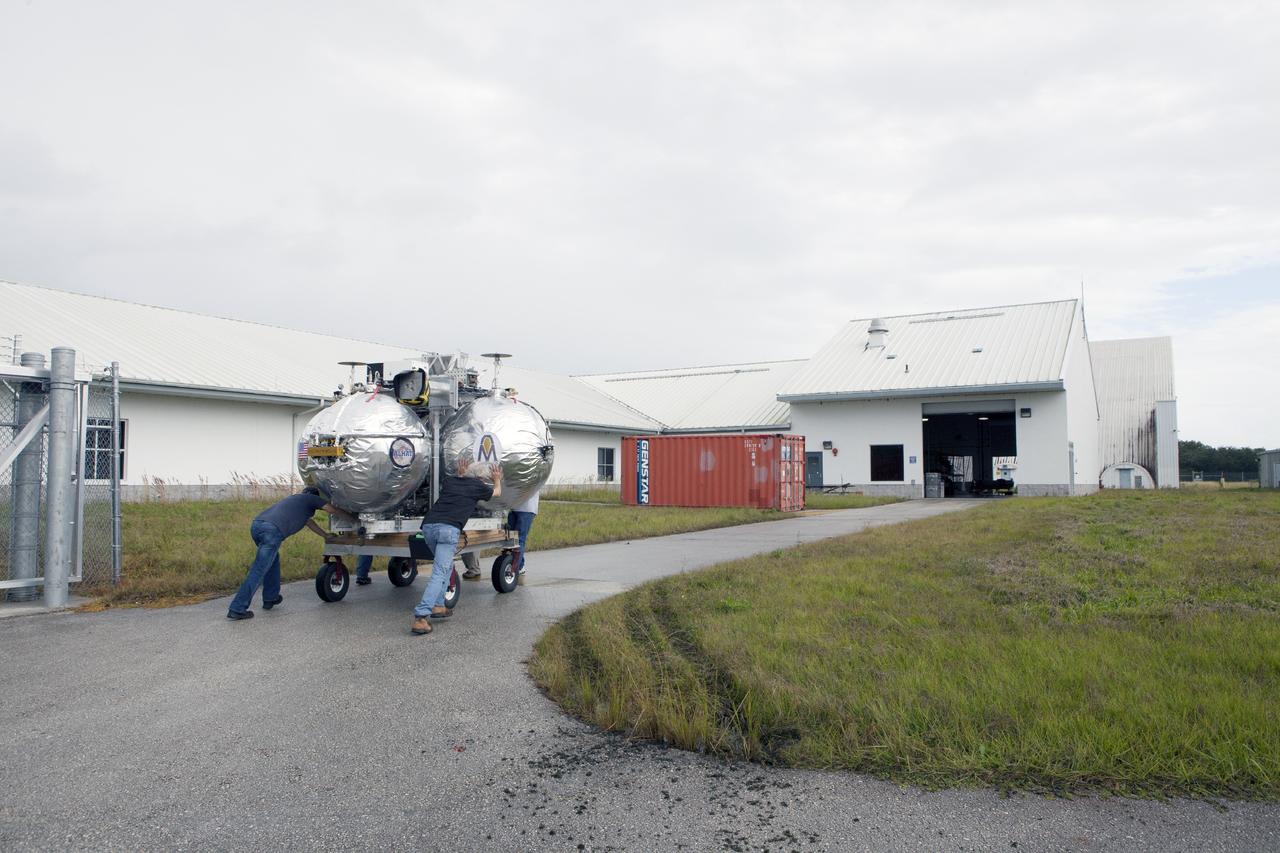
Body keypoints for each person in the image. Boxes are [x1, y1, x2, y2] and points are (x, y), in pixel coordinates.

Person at [228, 486, 355, 620]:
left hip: (257, 526)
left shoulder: (297, 502)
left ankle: (271, 597)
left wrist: (325, 535)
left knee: (273, 560)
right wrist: (354, 519)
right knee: (259, 569)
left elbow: (310, 523)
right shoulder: (311, 498)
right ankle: (238, 608)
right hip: (272, 531)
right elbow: (333, 510)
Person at [411, 459, 502, 635]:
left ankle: (438, 606)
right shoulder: (478, 486)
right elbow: (497, 492)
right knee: (439, 572)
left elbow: (460, 485)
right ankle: (421, 616)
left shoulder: (451, 481)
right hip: (448, 530)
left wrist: (461, 474)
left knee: (446, 567)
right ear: (482, 478)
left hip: (429, 527)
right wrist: (497, 479)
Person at [506, 489, 539, 585]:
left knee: (519, 540)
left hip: (526, 509)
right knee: (511, 539)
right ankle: (520, 567)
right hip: (514, 508)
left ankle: (513, 569)